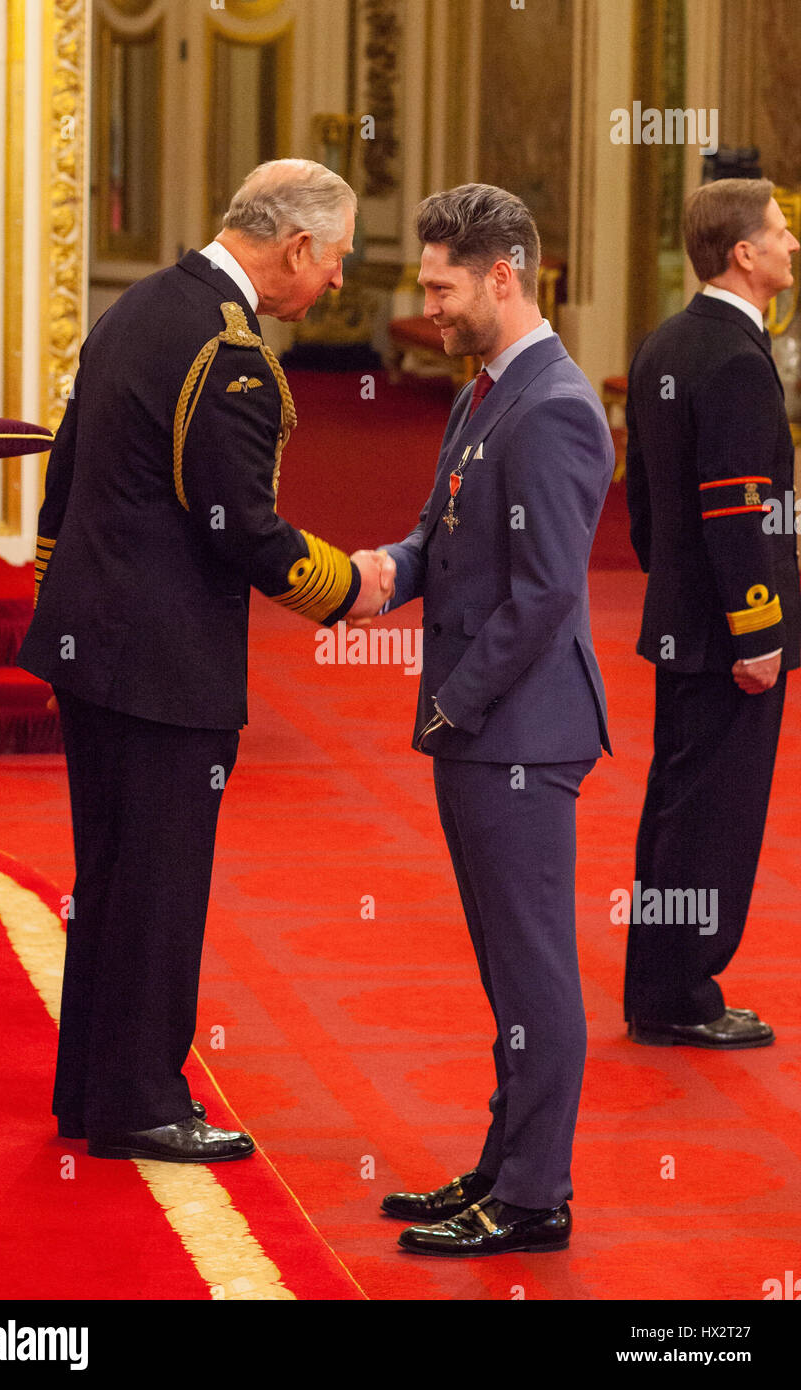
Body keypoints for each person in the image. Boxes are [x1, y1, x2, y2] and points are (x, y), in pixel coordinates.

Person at [18, 159, 391, 1163]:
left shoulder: (138, 306)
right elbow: (242, 528)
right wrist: (348, 589)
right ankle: (142, 1100)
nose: (338, 284)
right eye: (338, 260)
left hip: (89, 642)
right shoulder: (227, 351)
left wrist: (60, 602)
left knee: (112, 873)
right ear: (297, 247)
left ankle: (95, 1089)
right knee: (160, 884)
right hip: (162, 663)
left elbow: (66, 472)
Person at [370, 184, 613, 1255]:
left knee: (534, 972)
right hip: (479, 731)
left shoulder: (554, 403)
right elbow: (439, 533)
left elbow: (549, 593)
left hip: (518, 733)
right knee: (502, 966)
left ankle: (535, 1197)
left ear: (502, 275)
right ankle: (501, 1164)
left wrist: (451, 706)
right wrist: (378, 574)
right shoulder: (482, 396)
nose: (430, 308)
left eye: (442, 287)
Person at [624, 178, 801, 1048]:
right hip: (732, 635)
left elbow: (648, 506)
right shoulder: (735, 358)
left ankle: (660, 983)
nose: (790, 245)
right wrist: (757, 632)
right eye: (779, 231)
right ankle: (681, 994)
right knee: (714, 816)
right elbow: (738, 508)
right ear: (742, 252)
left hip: (681, 621)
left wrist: (677, 594)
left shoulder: (665, 342)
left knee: (676, 806)